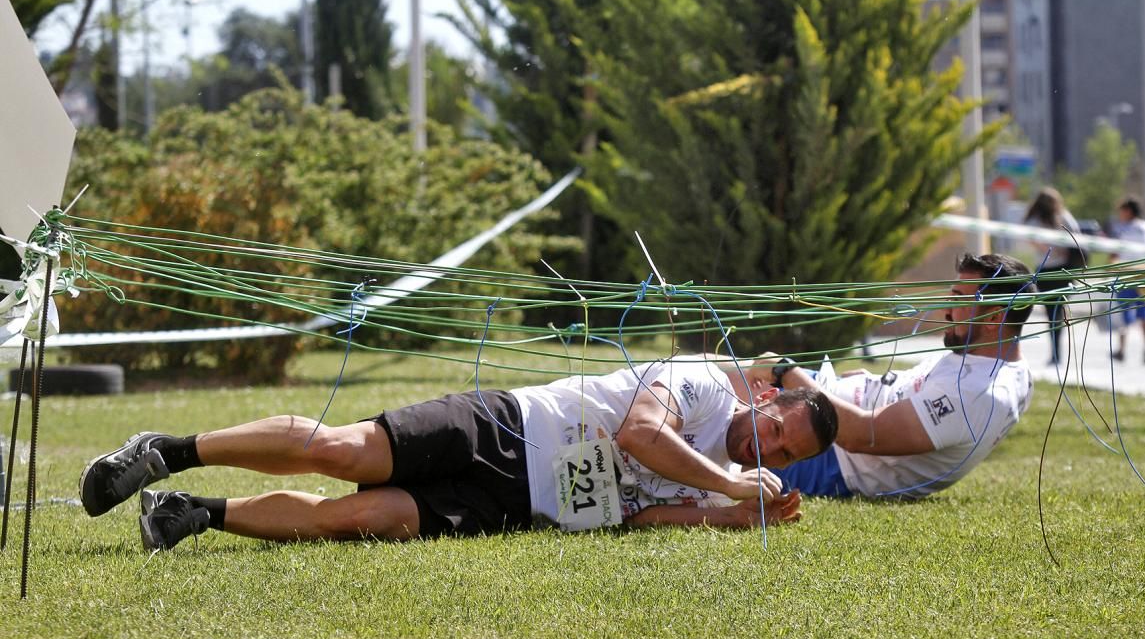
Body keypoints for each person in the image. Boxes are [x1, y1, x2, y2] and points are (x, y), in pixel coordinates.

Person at [79, 356, 838, 550]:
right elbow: (641, 434)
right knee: (343, 452)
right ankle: (166, 452)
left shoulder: (732, 486)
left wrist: (723, 520)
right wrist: (733, 489)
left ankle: (192, 514)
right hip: (504, 425)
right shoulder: (703, 386)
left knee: (370, 519)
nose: (766, 444)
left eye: (784, 452)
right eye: (776, 429)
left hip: (521, 503)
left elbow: (644, 519)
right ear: (768, 404)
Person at [760, 253, 1034, 500]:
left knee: (724, 409)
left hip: (827, 451)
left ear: (994, 319)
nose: (947, 311)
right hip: (828, 399)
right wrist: (868, 380)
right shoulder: (1005, 366)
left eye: (960, 300)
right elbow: (920, 390)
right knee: (724, 372)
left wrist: (786, 371)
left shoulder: (976, 394)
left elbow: (862, 436)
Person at [1023, 186, 1083, 365]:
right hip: (1063, 270)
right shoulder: (1063, 216)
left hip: (1045, 270)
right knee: (1059, 311)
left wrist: (1048, 250)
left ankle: (1055, 352)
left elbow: (1030, 238)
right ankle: (1057, 352)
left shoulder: (1034, 220)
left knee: (1051, 313)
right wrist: (1060, 251)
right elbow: (1077, 234)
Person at [1109, 196, 1145, 364]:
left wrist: (1112, 265)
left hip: (1126, 275)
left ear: (1128, 211)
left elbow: (1114, 253)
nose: (1120, 214)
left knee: (1123, 313)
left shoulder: (1122, 229)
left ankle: (1122, 349)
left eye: (1121, 211)